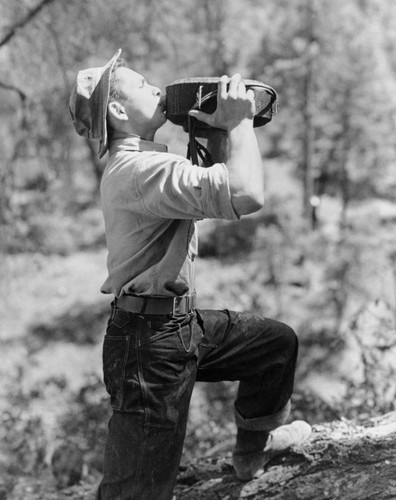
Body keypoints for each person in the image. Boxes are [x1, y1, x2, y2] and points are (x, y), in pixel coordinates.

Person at [69, 49, 311, 500]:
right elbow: (245, 194)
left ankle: (251, 453)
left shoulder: (147, 164)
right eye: (143, 86)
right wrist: (239, 123)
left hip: (175, 327)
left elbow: (212, 183)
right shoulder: (140, 171)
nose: (157, 90)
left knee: (273, 345)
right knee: (137, 492)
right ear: (118, 110)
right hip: (149, 345)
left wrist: (215, 131)